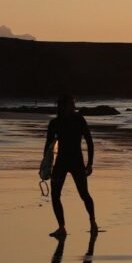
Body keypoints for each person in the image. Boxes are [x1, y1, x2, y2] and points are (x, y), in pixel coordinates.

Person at [44, 94, 98, 238]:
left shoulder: (79, 120)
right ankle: (61, 227)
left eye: (68, 105)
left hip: (76, 162)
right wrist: (46, 166)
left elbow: (89, 141)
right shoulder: (55, 123)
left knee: (84, 194)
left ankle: (93, 222)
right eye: (62, 105)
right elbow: (48, 146)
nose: (65, 107)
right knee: (55, 195)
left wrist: (90, 163)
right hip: (60, 162)